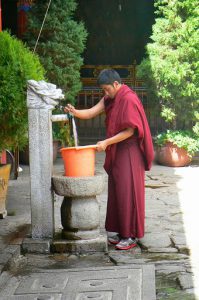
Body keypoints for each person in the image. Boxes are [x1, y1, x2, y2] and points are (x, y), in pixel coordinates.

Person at [64, 69, 154, 250]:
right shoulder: (110, 98)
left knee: (128, 192)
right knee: (118, 191)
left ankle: (130, 236)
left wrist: (106, 142)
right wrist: (74, 112)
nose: (105, 93)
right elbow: (90, 113)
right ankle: (120, 231)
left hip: (130, 152)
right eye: (103, 90)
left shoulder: (128, 99)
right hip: (118, 151)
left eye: (106, 89)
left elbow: (130, 131)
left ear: (116, 84)